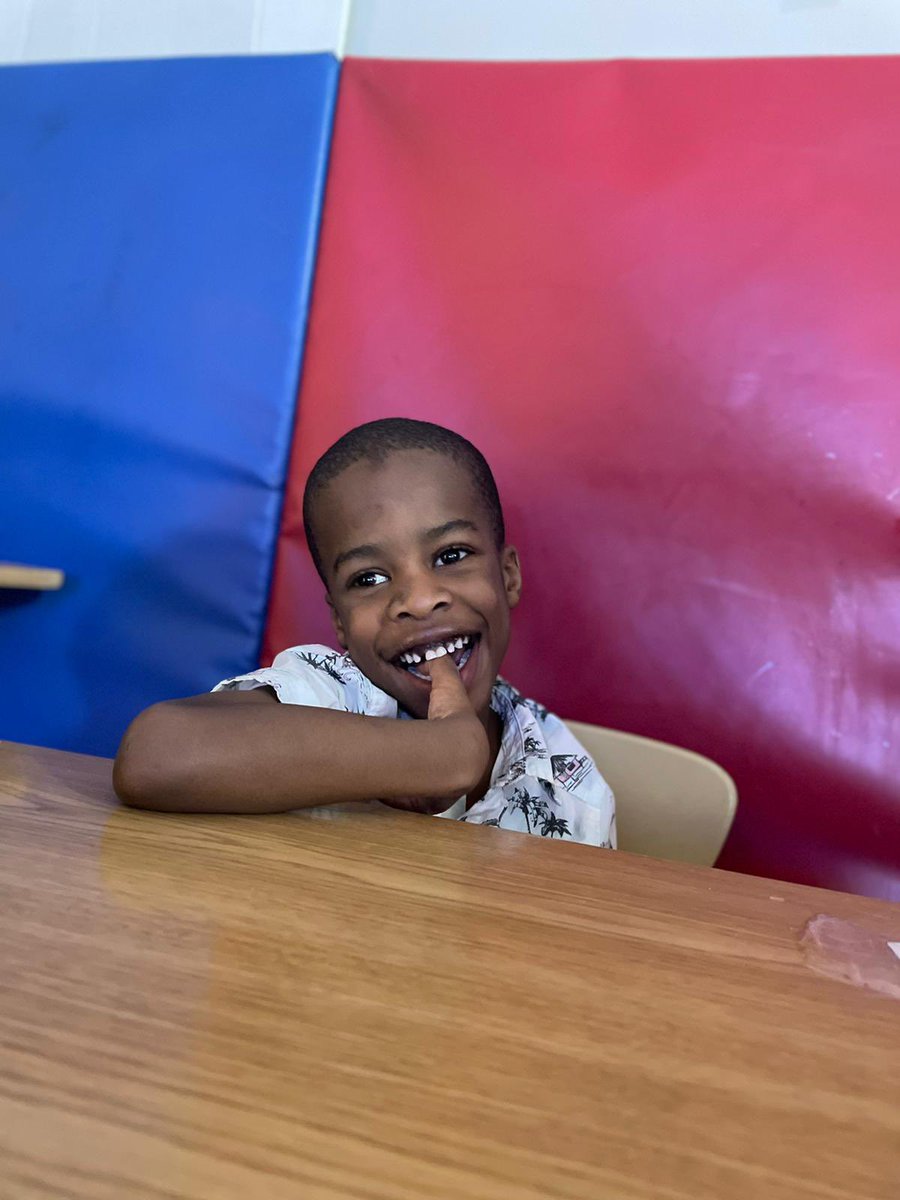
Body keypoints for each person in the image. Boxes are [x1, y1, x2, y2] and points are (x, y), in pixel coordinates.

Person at [114, 418, 616, 847]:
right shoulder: (329, 691)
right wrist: (440, 755)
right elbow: (154, 756)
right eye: (369, 579)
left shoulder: (569, 784)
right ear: (339, 623)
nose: (419, 600)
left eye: (451, 555)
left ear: (507, 576)